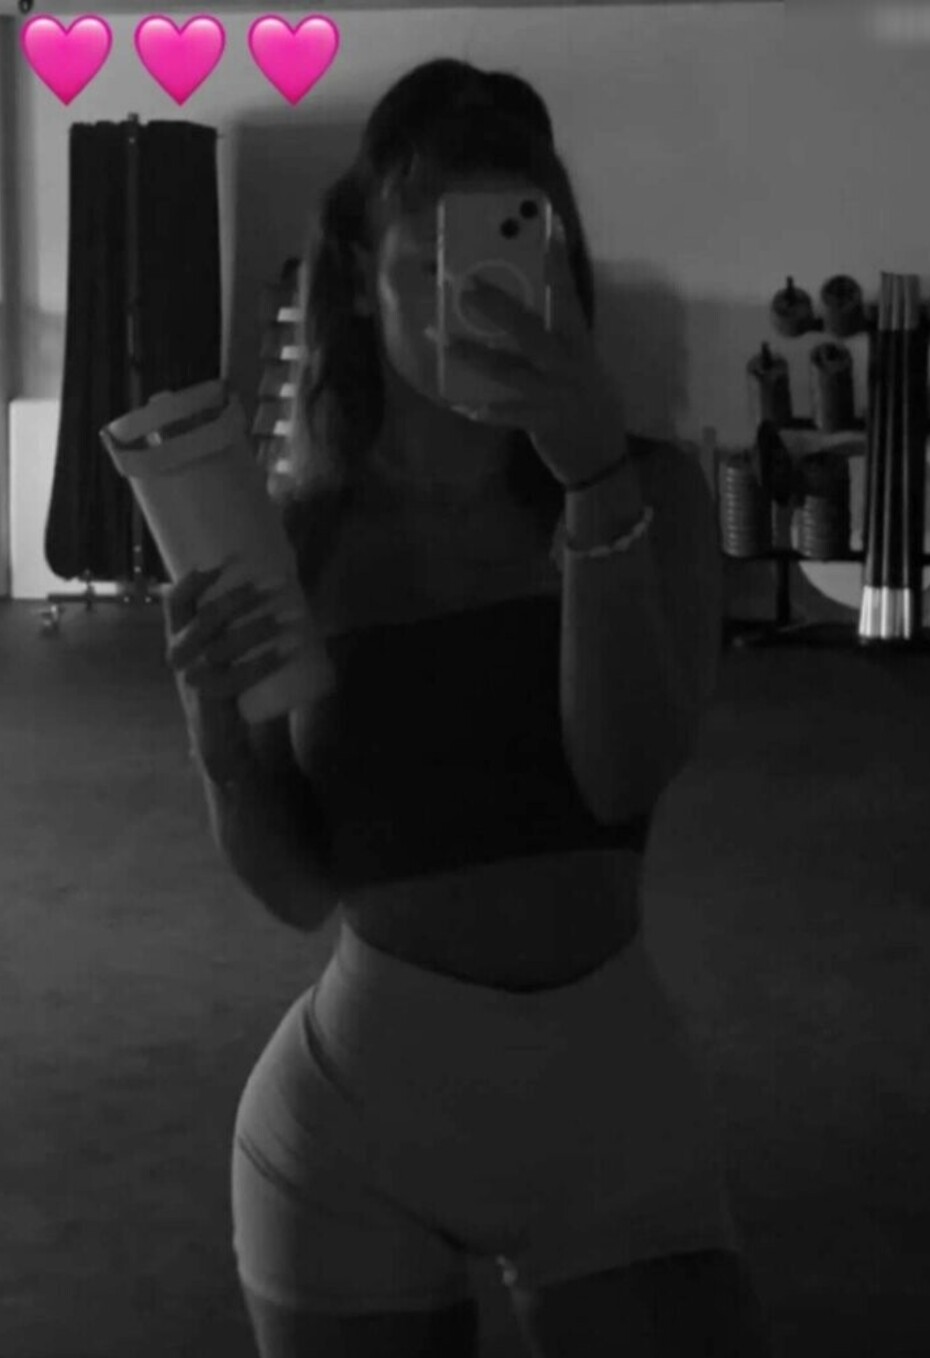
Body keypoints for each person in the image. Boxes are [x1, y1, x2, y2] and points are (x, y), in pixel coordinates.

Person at [164, 57, 775, 1358]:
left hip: (615, 1106)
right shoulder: (303, 540)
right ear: (357, 275)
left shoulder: (653, 491)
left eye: (513, 250)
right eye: (431, 262)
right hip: (350, 1124)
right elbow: (297, 887)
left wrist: (592, 484)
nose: (477, 297)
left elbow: (620, 776)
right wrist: (218, 743)